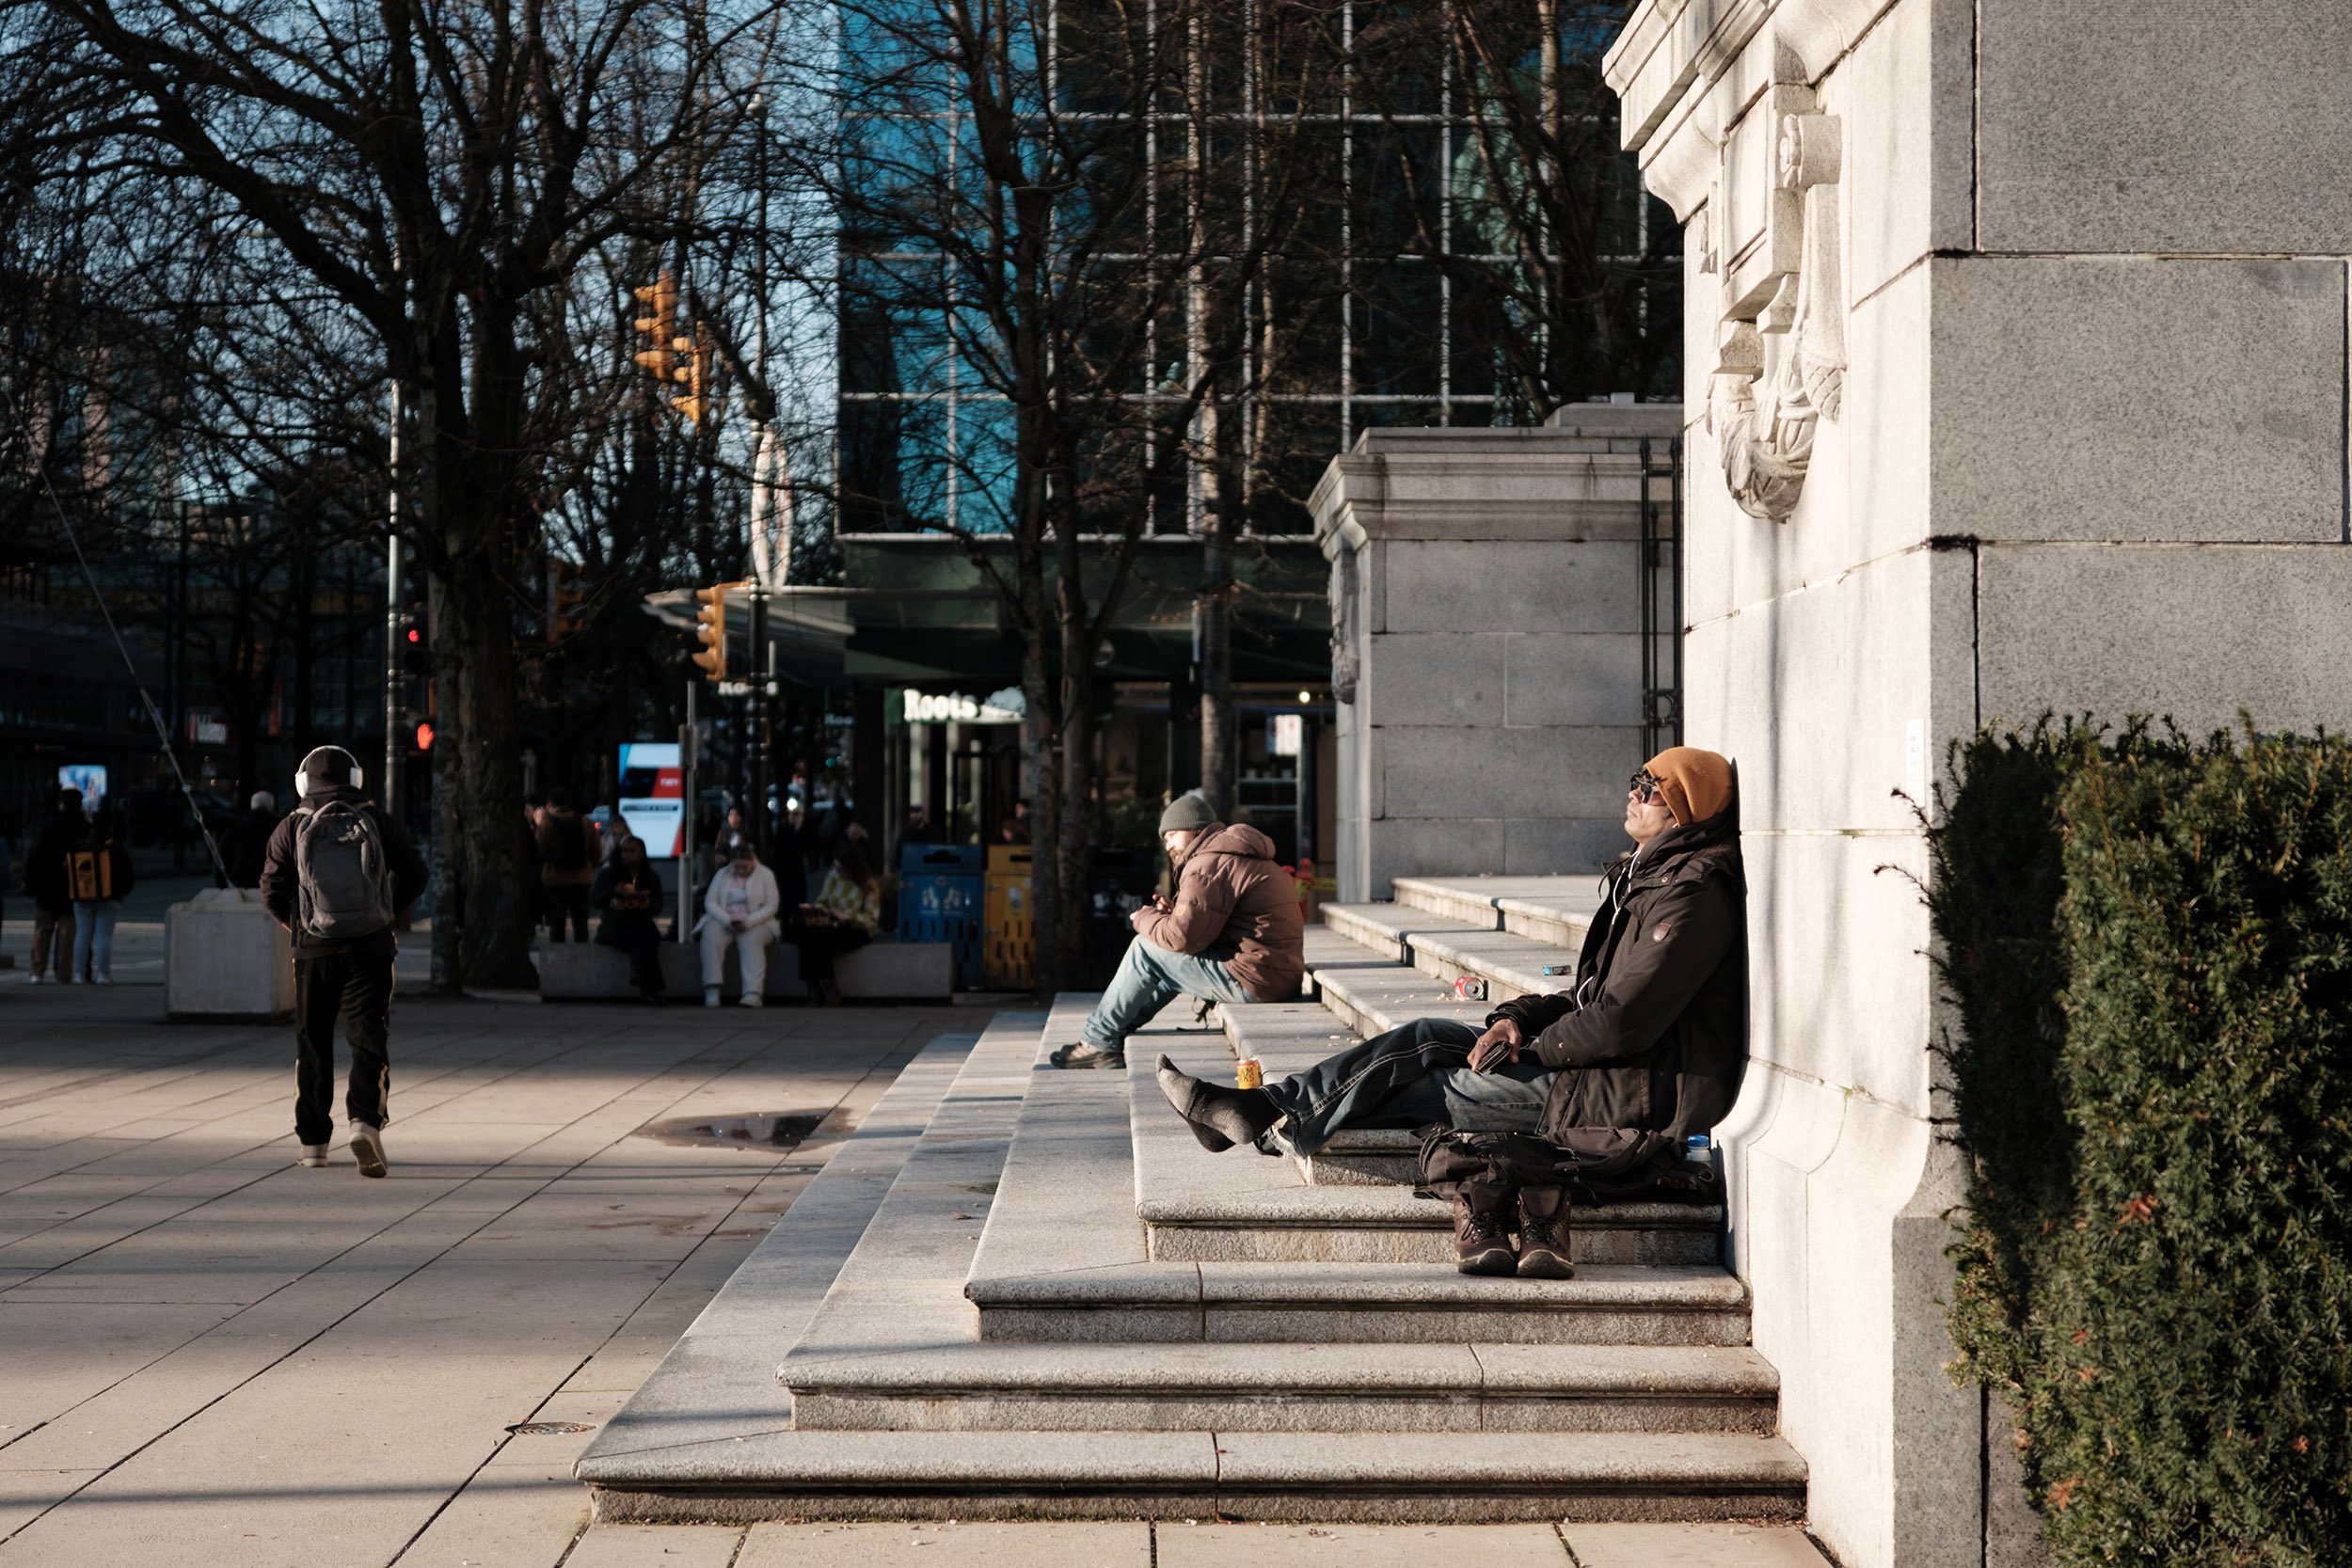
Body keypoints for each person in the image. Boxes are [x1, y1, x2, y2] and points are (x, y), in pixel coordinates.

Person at [1155, 748, 1747, 1278]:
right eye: (1636, 780)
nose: (1633, 792)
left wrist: (1533, 1050)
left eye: (1649, 786)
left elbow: (1622, 1020)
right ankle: (1269, 1108)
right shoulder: (1655, 880)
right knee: (1425, 1034)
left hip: (1632, 1093)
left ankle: (1265, 1113)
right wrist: (1515, 1017)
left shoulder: (1691, 895)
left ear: (1682, 809)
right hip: (1599, 1066)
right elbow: (1590, 995)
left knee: (1438, 1082)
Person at [261, 745, 429, 1177]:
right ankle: (365, 1123)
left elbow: (271, 887)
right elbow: (418, 873)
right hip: (371, 946)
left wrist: (294, 925)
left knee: (312, 1041)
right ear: (355, 778)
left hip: (314, 949)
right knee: (369, 1037)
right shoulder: (377, 821)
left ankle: (314, 1142)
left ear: (303, 782)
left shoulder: (291, 826)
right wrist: (387, 913)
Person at [1048, 792, 1305, 1069]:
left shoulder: (1207, 864)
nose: (1167, 843)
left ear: (1192, 828)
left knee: (1143, 949)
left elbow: (1183, 938)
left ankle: (1098, 1041)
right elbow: (1207, 929)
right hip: (1273, 975)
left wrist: (1144, 917)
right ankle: (1118, 1029)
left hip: (1254, 980)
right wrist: (1174, 914)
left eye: (1171, 834)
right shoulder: (1233, 857)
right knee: (1163, 961)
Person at [699, 835, 781, 1007]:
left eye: (745, 867)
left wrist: (750, 921)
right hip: (726, 919)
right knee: (710, 935)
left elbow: (772, 905)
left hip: (758, 920)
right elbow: (710, 901)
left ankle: (753, 992)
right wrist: (726, 919)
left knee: (751, 940)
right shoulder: (722, 874)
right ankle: (712, 987)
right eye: (737, 867)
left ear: (752, 861)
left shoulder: (766, 875)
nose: (741, 871)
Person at [797, 842, 880, 1006]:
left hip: (856, 928)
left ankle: (828, 983)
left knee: (822, 936)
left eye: (841, 869)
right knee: (805, 932)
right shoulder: (833, 875)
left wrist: (846, 916)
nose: (838, 872)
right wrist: (816, 910)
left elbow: (871, 918)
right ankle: (813, 985)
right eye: (836, 867)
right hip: (831, 922)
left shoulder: (869, 885)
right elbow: (823, 899)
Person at [592, 834, 668, 1003]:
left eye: (632, 851)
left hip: (640, 921)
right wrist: (614, 890)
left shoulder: (650, 876)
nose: (626, 854)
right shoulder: (608, 874)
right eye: (624, 851)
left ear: (641, 853)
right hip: (615, 925)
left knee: (649, 936)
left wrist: (645, 902)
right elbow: (595, 898)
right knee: (643, 943)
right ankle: (650, 990)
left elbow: (657, 905)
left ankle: (638, 971)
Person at [67, 804, 135, 985]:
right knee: (103, 936)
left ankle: (78, 974)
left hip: (82, 897)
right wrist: (121, 893)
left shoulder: (82, 846)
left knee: (82, 935)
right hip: (108, 897)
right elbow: (127, 875)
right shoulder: (115, 848)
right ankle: (103, 975)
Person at [24, 788, 82, 984]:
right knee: (67, 933)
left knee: (42, 930)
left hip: (47, 887)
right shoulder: (84, 828)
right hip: (73, 888)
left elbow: (35, 857)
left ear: (62, 804)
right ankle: (64, 973)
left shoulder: (48, 827)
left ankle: (36, 972)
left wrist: (30, 884)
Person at [536, 787, 598, 942]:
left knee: (557, 924)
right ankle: (581, 956)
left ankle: (558, 960)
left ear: (550, 805)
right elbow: (597, 851)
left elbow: (538, 852)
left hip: (554, 880)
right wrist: (589, 868)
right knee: (581, 923)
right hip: (582, 880)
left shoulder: (546, 824)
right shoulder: (586, 822)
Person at [218, 791, 278, 889]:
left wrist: (222, 882)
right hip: (271, 881)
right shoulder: (278, 826)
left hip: (240, 880)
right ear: (272, 806)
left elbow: (222, 853)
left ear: (252, 805)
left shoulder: (237, 825)